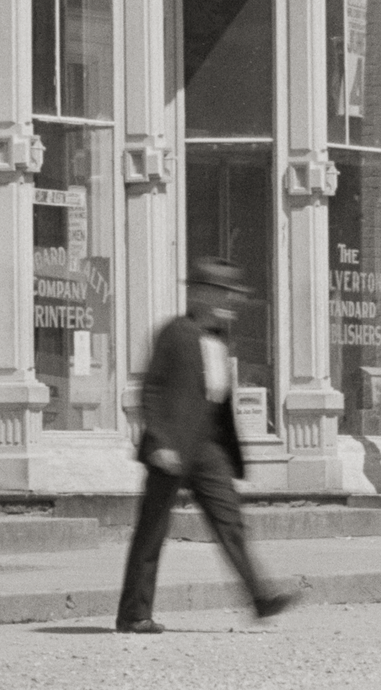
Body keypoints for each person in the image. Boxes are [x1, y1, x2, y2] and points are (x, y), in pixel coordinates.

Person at [116, 258, 295, 634]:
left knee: (231, 523)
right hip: (173, 447)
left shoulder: (220, 337)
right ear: (200, 293)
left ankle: (260, 598)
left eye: (232, 294)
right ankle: (134, 614)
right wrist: (161, 442)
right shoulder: (174, 332)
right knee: (152, 530)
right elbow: (151, 389)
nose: (230, 301)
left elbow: (216, 398)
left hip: (209, 446)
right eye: (222, 293)